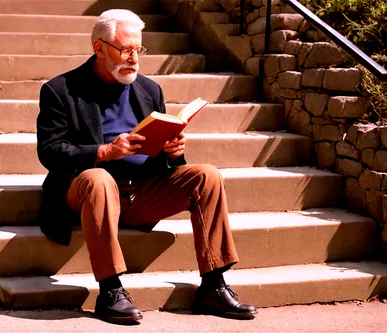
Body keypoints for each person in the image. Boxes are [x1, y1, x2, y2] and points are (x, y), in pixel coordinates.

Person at [36, 9, 257, 325]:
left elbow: (165, 161)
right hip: (87, 190)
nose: (134, 59)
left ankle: (213, 284)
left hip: (142, 192)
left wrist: (173, 151)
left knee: (206, 175)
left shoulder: (149, 90)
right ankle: (110, 290)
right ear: (99, 48)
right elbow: (50, 152)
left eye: (138, 50)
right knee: (98, 179)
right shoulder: (61, 90)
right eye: (125, 49)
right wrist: (103, 152)